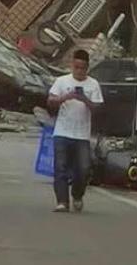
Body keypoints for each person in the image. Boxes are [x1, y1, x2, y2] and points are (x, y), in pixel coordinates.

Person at [46, 49, 103, 213]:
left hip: (82, 135)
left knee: (84, 168)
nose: (79, 71)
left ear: (87, 68)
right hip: (62, 132)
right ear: (72, 65)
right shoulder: (62, 81)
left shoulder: (93, 84)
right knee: (60, 167)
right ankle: (62, 201)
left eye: (82, 68)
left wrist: (85, 99)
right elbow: (50, 101)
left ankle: (77, 194)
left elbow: (98, 109)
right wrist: (65, 97)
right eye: (76, 67)